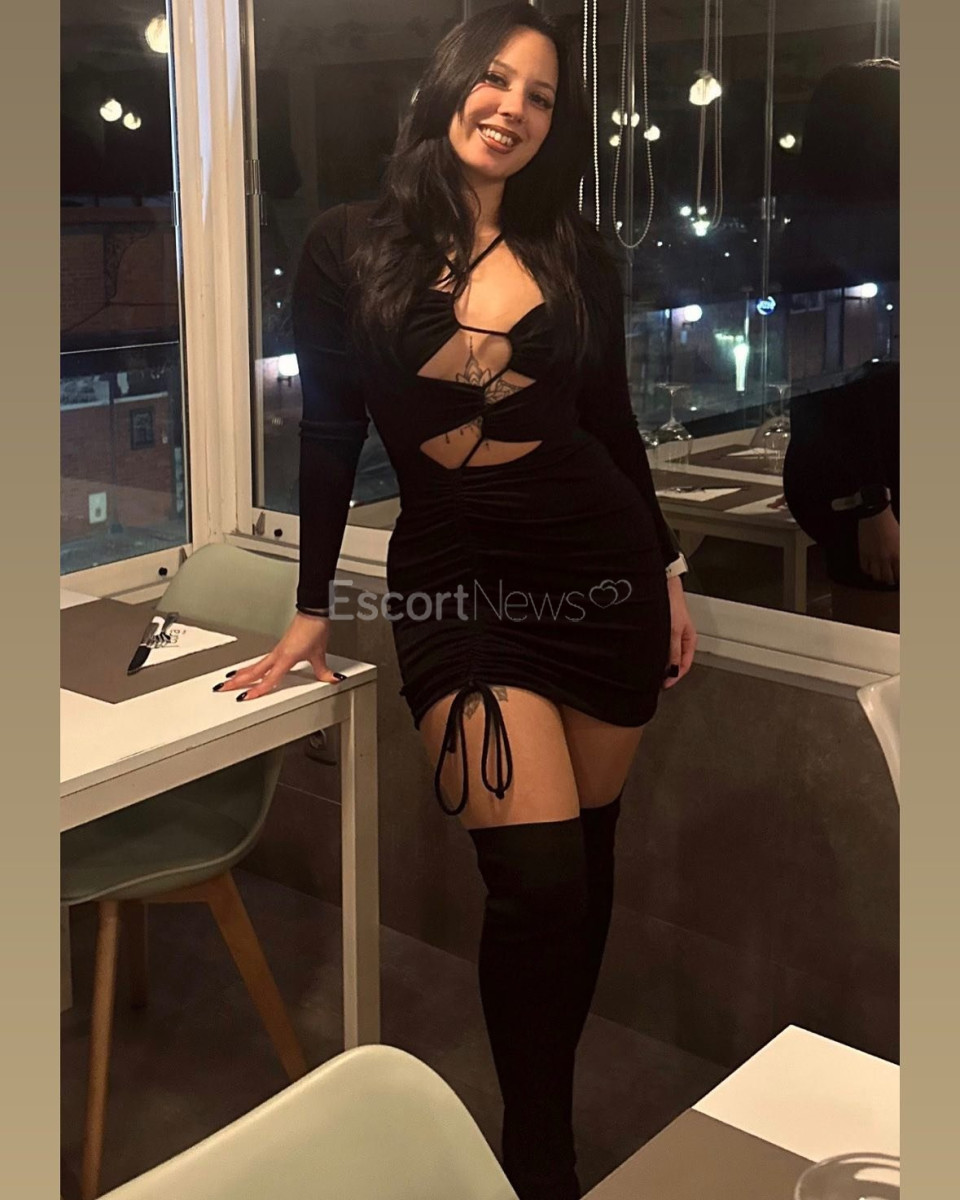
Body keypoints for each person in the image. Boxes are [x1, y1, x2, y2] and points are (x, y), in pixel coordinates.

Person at [213, 5, 696, 1197]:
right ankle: (539, 1160)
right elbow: (329, 436)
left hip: (602, 581)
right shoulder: (346, 247)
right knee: (536, 882)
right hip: (457, 588)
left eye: (540, 96)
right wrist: (313, 603)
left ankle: (545, 1129)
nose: (513, 108)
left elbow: (610, 424)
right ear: (447, 86)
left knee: (583, 868)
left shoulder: (578, 252)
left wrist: (667, 570)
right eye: (496, 79)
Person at [778, 59, 900, 632]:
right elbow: (827, 383)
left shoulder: (881, 226)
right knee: (884, 651)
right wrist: (870, 500)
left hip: (881, 470)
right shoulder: (822, 237)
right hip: (865, 483)